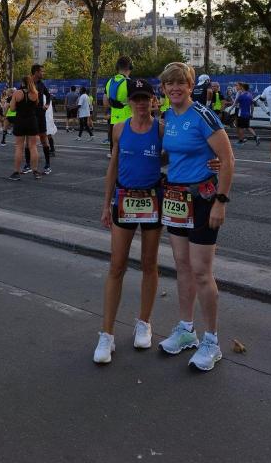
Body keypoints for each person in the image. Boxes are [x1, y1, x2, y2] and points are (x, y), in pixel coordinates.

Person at [157, 63, 235, 372]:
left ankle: (211, 341)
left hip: (204, 200)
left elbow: (228, 159)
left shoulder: (202, 115)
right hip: (176, 199)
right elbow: (171, 154)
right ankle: (186, 329)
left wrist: (221, 202)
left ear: (191, 86)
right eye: (169, 84)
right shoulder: (168, 117)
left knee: (202, 271)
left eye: (181, 83)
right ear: (163, 89)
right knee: (182, 266)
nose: (175, 88)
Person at [94, 79, 164, 364]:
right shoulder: (119, 129)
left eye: (145, 98)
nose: (141, 103)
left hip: (152, 201)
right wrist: (106, 204)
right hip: (123, 200)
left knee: (149, 263)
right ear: (130, 101)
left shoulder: (161, 129)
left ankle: (144, 323)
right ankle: (106, 334)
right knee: (116, 265)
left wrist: (213, 163)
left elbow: (182, 154)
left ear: (153, 100)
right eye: (136, 98)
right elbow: (112, 167)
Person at [8, 75, 41, 181]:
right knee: (33, 147)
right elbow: (36, 105)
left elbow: (12, 109)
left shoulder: (17, 93)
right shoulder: (35, 93)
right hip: (32, 121)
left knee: (19, 147)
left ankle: (16, 172)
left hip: (20, 121)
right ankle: (35, 171)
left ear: (22, 83)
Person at [104, 56, 133, 159]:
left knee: (114, 153)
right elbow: (133, 104)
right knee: (128, 153)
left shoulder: (109, 82)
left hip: (114, 121)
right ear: (130, 67)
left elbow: (105, 103)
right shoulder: (129, 83)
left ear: (117, 67)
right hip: (128, 122)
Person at [25, 65, 52, 175]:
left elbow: (49, 95)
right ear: (36, 72)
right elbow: (20, 96)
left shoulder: (41, 84)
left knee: (44, 140)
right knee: (28, 142)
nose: (43, 73)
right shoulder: (27, 83)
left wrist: (46, 105)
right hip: (30, 115)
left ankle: (47, 165)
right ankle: (27, 165)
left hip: (40, 115)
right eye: (41, 71)